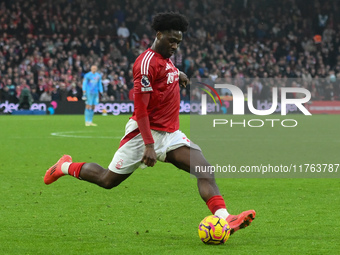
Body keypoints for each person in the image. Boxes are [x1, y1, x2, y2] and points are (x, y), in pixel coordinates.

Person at [44, 12, 255, 236]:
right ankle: (64, 167)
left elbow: (165, 71)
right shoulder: (144, 64)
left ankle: (225, 218)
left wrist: (179, 73)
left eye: (178, 42)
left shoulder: (166, 58)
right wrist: (149, 145)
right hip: (144, 134)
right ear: (158, 34)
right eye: (171, 40)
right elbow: (141, 109)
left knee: (204, 169)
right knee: (107, 180)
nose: (175, 46)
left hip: (171, 134)